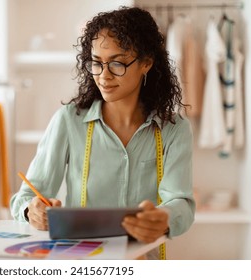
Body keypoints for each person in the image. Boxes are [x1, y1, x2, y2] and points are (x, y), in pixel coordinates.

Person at [10, 6, 195, 258]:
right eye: (96, 63)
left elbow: (181, 202)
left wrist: (163, 217)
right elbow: (27, 195)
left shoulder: (173, 129)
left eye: (117, 63)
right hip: (81, 263)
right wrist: (31, 211)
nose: (104, 76)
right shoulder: (69, 121)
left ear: (147, 63)